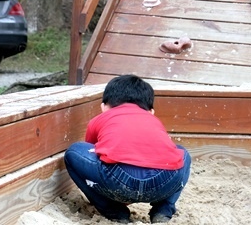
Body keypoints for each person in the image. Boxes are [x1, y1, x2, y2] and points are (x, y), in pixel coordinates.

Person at [64, 74, 191, 223]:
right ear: (151, 111)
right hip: (164, 181)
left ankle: (114, 211)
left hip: (118, 178)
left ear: (104, 106)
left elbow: (93, 152)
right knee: (183, 153)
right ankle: (163, 209)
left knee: (73, 152)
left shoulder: (100, 119)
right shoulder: (153, 120)